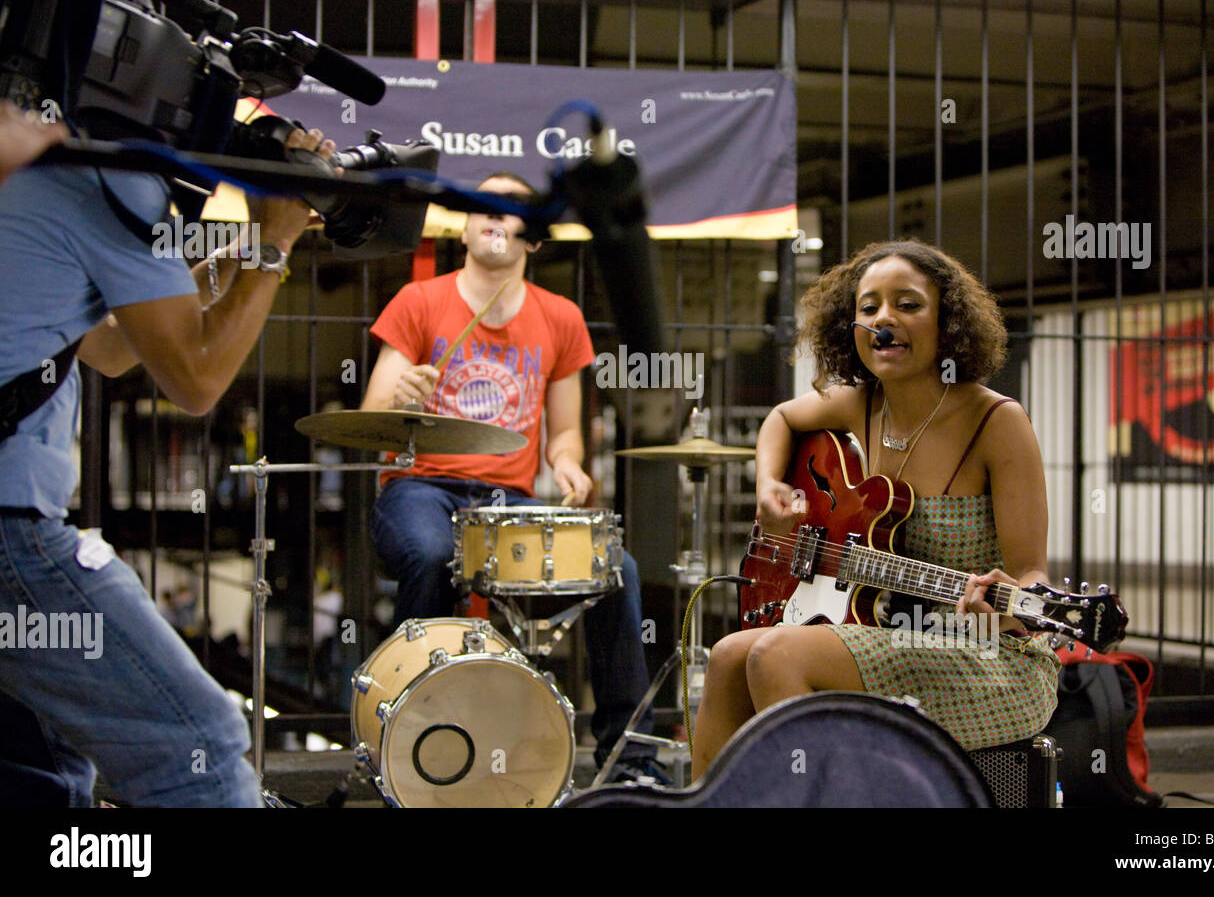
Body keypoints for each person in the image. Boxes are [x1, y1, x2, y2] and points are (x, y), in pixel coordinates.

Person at [0, 110, 338, 807]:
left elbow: (116, 348)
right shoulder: (103, 182)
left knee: (40, 768)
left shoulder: (36, 189)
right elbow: (196, 380)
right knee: (201, 748)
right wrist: (273, 242)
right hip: (13, 535)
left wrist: (240, 257)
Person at [690, 239, 1062, 778]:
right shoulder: (860, 404)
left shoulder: (997, 421)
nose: (885, 319)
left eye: (908, 304)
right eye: (869, 308)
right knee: (726, 655)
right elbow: (782, 419)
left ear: (948, 322)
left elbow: (1032, 574)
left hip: (985, 656)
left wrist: (1005, 606)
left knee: (777, 655)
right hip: (882, 628)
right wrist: (769, 484)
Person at [361, 172, 667, 783]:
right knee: (429, 551)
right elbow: (370, 425)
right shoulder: (418, 302)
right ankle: (405, 727)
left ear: (534, 239)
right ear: (465, 226)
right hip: (420, 487)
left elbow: (564, 432)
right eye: (481, 205)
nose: (494, 215)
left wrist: (568, 463)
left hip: (510, 501)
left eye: (511, 208)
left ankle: (628, 760)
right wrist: (405, 396)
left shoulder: (561, 318)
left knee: (619, 569)